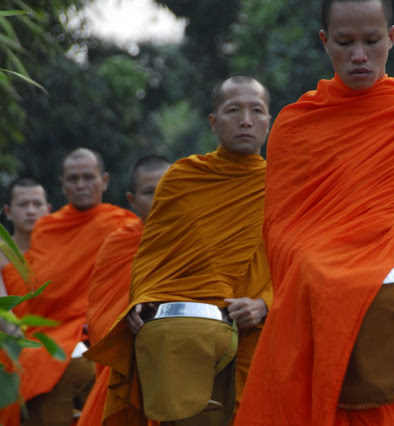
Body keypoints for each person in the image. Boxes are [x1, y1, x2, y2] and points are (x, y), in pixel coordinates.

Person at [235, 0, 394, 426]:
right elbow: (280, 233)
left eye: (372, 41)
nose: (360, 55)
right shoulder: (297, 126)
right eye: (345, 42)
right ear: (325, 42)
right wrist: (328, 270)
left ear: (391, 37)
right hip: (319, 311)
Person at [86, 75, 273, 425]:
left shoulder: (285, 184)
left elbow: (298, 260)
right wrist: (141, 298)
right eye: (234, 110)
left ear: (268, 121)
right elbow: (153, 256)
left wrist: (266, 303)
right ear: (214, 123)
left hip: (258, 330)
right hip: (185, 334)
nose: (246, 120)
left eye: (256, 111)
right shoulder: (183, 179)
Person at [17, 148, 137, 426]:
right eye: (73, 179)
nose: (81, 185)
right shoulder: (46, 228)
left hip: (103, 329)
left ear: (104, 181)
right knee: (37, 358)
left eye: (88, 177)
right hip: (50, 329)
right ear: (62, 184)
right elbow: (37, 292)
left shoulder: (124, 226)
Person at [77, 155, 170, 426]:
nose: (162, 198)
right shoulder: (119, 245)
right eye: (150, 192)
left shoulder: (199, 238)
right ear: (132, 200)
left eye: (169, 187)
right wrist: (125, 319)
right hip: (131, 353)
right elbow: (100, 315)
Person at [0, 178, 50, 426]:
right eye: (23, 204)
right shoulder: (0, 251)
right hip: (11, 345)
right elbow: (1, 309)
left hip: (54, 340)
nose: (31, 210)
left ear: (48, 209)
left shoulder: (61, 251)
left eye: (37, 204)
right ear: (7, 212)